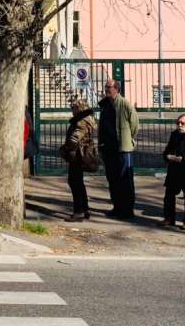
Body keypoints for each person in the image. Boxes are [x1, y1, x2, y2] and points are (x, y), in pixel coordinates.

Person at [98, 79, 139, 219]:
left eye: (109, 87)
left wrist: (128, 138)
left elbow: (134, 125)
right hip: (108, 148)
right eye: (106, 87)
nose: (106, 90)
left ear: (117, 89)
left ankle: (128, 210)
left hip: (123, 149)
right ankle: (117, 207)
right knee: (112, 179)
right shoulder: (105, 105)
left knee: (125, 179)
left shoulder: (125, 104)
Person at [59, 98, 96, 222]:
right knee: (79, 182)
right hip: (82, 153)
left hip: (77, 155)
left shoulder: (82, 121)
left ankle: (78, 211)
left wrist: (65, 148)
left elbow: (75, 139)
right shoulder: (88, 119)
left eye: (74, 108)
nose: (72, 111)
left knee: (74, 181)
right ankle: (85, 208)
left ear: (79, 108)